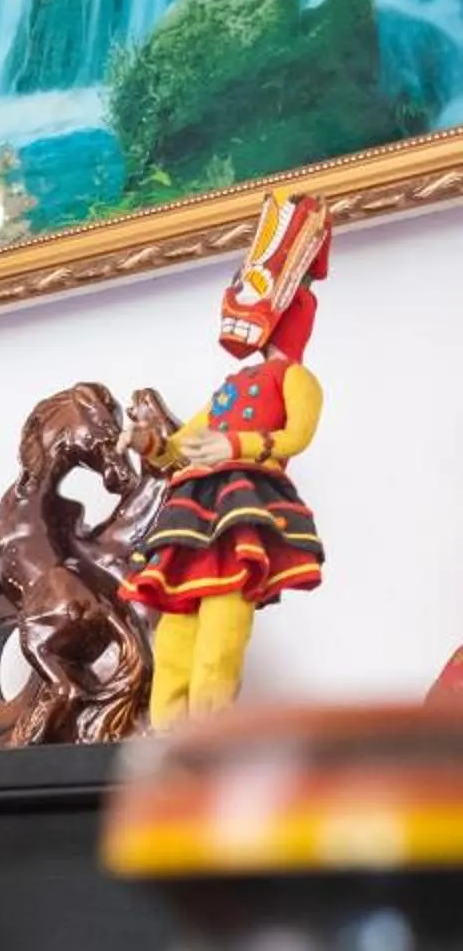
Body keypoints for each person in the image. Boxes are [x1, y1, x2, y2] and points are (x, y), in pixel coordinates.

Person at [122, 190, 330, 730]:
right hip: (197, 516)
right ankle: (168, 741)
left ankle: (207, 740)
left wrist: (235, 447)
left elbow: (296, 436)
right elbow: (177, 448)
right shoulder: (231, 386)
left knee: (221, 638)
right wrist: (145, 441)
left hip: (243, 515)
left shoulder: (296, 379)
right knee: (173, 639)